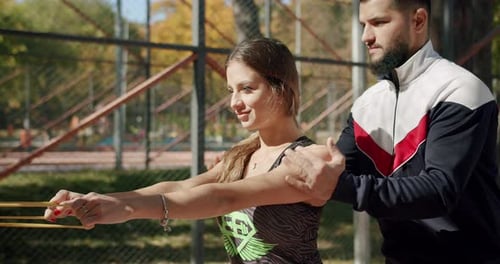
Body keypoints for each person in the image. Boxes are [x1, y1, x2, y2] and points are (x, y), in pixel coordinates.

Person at [44, 37, 345, 263]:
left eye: (247, 89)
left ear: (282, 88)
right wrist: (99, 200)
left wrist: (130, 209)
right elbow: (180, 186)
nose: (234, 103)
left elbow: (224, 197)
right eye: (231, 91)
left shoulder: (310, 159)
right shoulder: (243, 153)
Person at [283, 0, 500, 263]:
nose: (366, 36)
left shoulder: (460, 90)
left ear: (418, 21)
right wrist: (234, 171)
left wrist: (340, 186)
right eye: (364, 25)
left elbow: (438, 191)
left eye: (379, 23)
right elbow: (332, 167)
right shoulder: (366, 105)